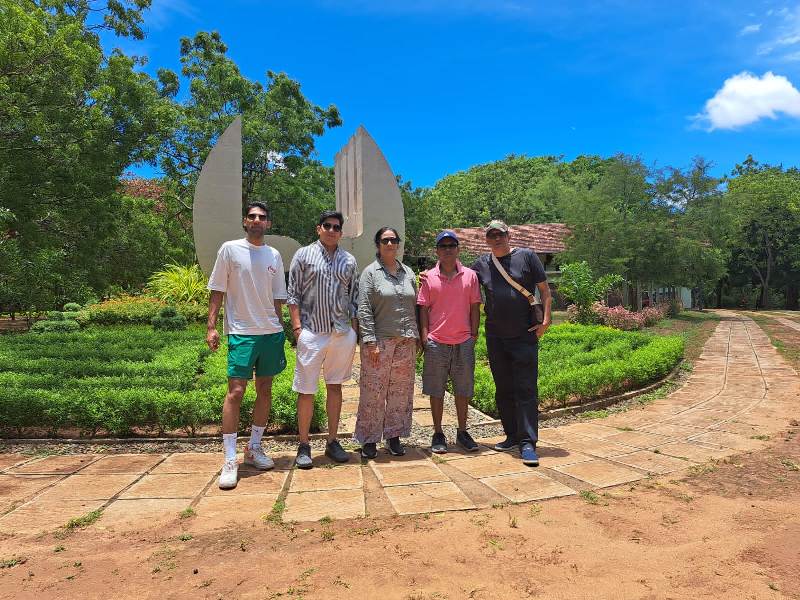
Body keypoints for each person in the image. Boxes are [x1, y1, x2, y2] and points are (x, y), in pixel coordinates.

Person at [206, 201, 288, 489]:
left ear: (268, 223)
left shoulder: (274, 254)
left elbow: (278, 296)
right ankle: (230, 459)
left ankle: (253, 448)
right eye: (252, 216)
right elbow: (217, 289)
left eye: (261, 217)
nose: (256, 220)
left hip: (270, 333)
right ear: (245, 221)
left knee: (265, 390)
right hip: (241, 332)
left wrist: (281, 329)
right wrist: (211, 327)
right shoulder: (230, 250)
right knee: (236, 392)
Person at [470, 220, 552, 466]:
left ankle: (528, 442)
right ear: (486, 239)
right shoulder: (481, 264)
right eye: (492, 235)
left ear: (509, 235)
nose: (496, 238)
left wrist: (546, 321)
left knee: (525, 389)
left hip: (524, 335)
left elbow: (545, 290)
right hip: (496, 336)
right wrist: (430, 274)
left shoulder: (527, 257)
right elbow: (459, 279)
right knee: (503, 388)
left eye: (500, 234)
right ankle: (512, 436)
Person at [287, 210, 359, 469]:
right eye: (327, 225)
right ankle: (304, 444)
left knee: (335, 386)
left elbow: (354, 297)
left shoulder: (349, 260)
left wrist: (354, 331)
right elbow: (293, 293)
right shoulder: (303, 255)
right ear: (318, 228)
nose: (331, 230)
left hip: (341, 333)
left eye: (336, 227)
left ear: (341, 232)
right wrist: (297, 328)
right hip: (312, 332)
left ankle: (332, 441)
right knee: (306, 390)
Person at [355, 227, 420, 459]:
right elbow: (364, 309)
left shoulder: (408, 273)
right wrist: (370, 341)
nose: (390, 244)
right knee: (373, 391)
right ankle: (369, 438)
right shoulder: (370, 273)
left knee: (400, 392)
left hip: (406, 342)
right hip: (379, 342)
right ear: (378, 245)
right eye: (385, 240)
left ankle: (394, 436)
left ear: (398, 243)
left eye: (393, 240)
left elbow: (415, 306)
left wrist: (417, 336)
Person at [417, 230, 482, 454]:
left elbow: (475, 306)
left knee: (463, 389)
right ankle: (438, 432)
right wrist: (425, 337)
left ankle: (462, 431)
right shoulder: (428, 277)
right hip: (436, 341)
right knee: (436, 390)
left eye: (451, 245)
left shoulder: (470, 276)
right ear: (437, 251)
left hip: (463, 341)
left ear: (458, 249)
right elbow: (423, 308)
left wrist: (473, 335)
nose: (447, 250)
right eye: (443, 246)